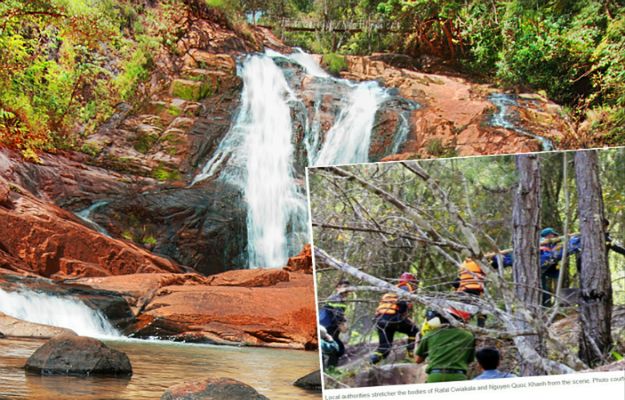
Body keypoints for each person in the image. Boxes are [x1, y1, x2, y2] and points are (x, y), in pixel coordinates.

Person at [369, 272, 419, 364]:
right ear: (412, 282)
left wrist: (405, 318)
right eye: (415, 283)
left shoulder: (393, 289)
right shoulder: (406, 287)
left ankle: (371, 363)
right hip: (393, 318)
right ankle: (411, 354)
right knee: (414, 329)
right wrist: (404, 317)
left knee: (385, 348)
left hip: (380, 319)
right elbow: (402, 303)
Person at [415, 308, 476, 383]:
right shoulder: (468, 336)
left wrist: (417, 342)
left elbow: (418, 360)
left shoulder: (430, 334)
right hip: (458, 376)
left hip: (435, 376)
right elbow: (469, 360)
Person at [319, 279, 351, 368]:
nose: (346, 290)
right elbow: (337, 315)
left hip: (330, 329)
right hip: (328, 329)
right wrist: (343, 327)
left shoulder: (337, 299)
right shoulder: (336, 299)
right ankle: (329, 370)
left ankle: (328, 369)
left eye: (348, 288)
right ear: (337, 288)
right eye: (344, 287)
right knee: (337, 349)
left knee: (334, 349)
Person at [453, 258, 487, 327]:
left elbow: (456, 281)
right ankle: (480, 330)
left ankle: (461, 327)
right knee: (481, 312)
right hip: (474, 290)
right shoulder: (480, 263)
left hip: (462, 291)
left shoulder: (464, 264)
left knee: (464, 313)